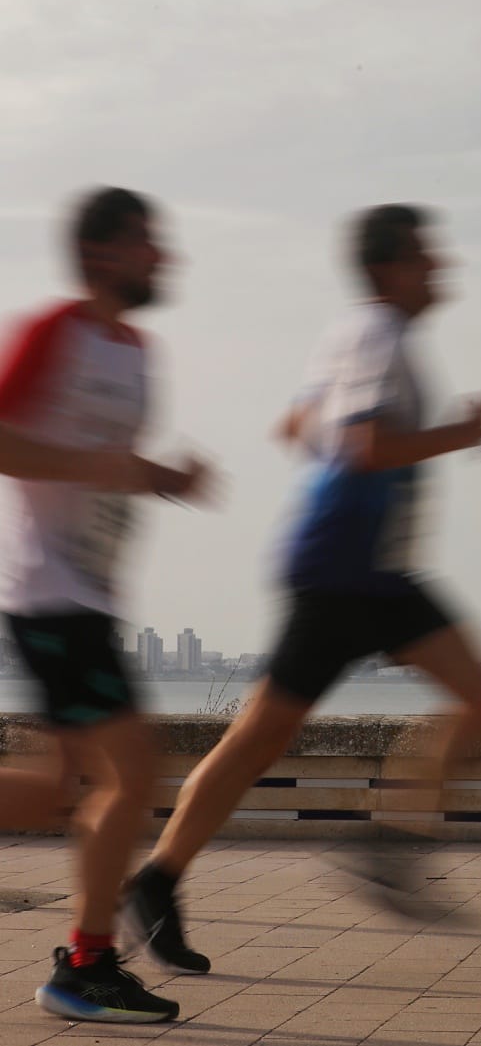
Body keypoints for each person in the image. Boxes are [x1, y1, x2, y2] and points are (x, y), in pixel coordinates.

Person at [125, 204, 481, 973]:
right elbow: (360, 445)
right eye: (427, 257)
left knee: (479, 697)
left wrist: (355, 443)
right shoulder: (377, 333)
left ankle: (390, 844)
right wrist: (459, 436)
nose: (441, 269)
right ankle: (158, 878)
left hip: (377, 569)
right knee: (260, 736)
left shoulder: (354, 335)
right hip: (340, 568)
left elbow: (296, 424)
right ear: (389, 267)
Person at [0, 187, 211, 1023]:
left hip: (86, 595)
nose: (163, 256)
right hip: (51, 595)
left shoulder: (138, 351)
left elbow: (110, 469)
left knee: (60, 792)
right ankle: (84, 967)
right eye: (145, 244)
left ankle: (85, 966)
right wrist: (106, 467)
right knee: (134, 775)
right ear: (100, 255)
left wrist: (160, 478)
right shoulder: (58, 332)